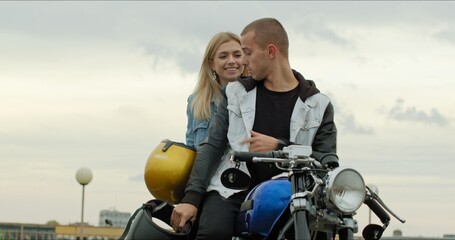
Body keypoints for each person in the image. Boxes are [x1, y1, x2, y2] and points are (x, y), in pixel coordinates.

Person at [172, 18, 338, 239]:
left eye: (247, 53)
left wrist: (281, 147)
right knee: (213, 232)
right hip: (231, 188)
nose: (243, 62)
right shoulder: (235, 93)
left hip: (292, 193)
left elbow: (328, 162)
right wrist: (190, 199)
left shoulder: (319, 104)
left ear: (270, 51)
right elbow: (211, 146)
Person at [186, 32, 245, 149]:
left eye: (237, 55)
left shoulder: (257, 97)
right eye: (223, 56)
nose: (231, 61)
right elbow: (191, 150)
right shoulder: (195, 102)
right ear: (211, 64)